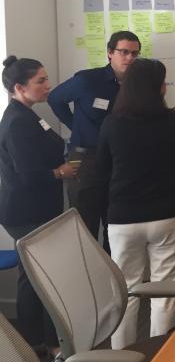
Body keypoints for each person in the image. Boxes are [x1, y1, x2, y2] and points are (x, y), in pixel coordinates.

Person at [95, 59, 175, 349]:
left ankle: (122, 354)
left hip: (124, 217)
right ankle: (162, 352)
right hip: (168, 214)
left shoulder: (111, 123)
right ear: (158, 87)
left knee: (125, 291)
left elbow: (102, 168)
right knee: (165, 289)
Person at [0, 56, 78, 359]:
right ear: (20, 87)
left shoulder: (29, 114)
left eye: (46, 79)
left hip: (37, 208)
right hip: (25, 211)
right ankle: (43, 343)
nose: (48, 86)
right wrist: (61, 172)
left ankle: (37, 342)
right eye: (41, 81)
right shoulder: (18, 121)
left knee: (33, 277)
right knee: (40, 277)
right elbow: (29, 174)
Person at [48, 30, 141, 253]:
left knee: (117, 226)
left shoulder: (136, 85)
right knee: (84, 224)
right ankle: (87, 284)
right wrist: (75, 126)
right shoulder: (87, 80)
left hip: (118, 160)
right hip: (84, 156)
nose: (129, 58)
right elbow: (55, 99)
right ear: (110, 53)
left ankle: (114, 283)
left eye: (134, 54)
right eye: (124, 52)